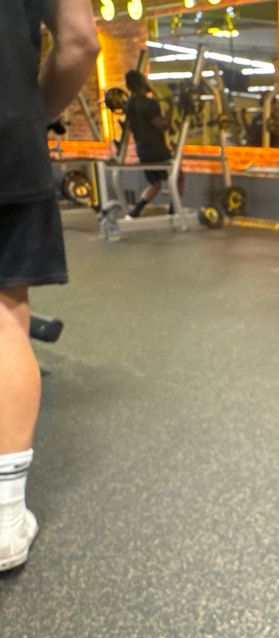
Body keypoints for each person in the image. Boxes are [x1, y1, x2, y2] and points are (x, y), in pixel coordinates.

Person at [0, 0, 99, 572]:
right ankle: (4, 519)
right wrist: (29, 110)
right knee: (4, 319)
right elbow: (80, 39)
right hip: (5, 136)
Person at [124, 70, 184, 218]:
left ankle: (135, 212)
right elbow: (162, 125)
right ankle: (173, 210)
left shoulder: (130, 105)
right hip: (156, 149)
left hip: (142, 150)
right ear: (141, 83)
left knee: (155, 184)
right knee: (178, 176)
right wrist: (171, 109)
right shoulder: (150, 104)